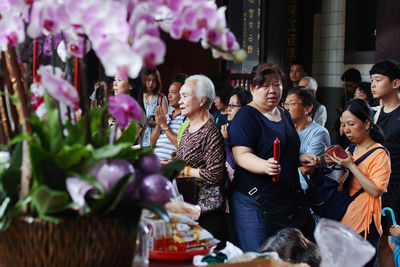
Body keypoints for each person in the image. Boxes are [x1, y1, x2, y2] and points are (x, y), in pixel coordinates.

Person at [228, 63, 318, 252]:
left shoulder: (283, 114)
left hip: (284, 201)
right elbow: (242, 156)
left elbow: (285, 147)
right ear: (252, 89)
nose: (272, 91)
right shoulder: (246, 116)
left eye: (276, 85)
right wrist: (264, 166)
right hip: (254, 202)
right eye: (265, 86)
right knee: (259, 257)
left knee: (287, 257)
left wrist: (299, 157)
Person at [326, 99, 391, 267]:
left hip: (365, 223)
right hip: (344, 218)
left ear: (367, 123)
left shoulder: (379, 154)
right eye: (343, 125)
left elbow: (376, 191)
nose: (346, 130)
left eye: (351, 124)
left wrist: (351, 166)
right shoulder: (351, 149)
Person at [175, 74, 226, 244]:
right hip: (188, 204)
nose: (179, 101)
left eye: (184, 96)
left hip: (206, 212)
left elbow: (216, 174)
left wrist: (186, 170)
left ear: (203, 100)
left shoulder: (210, 132)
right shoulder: (188, 127)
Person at [369, 60, 400, 267]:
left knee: (394, 242)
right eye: (371, 80)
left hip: (398, 187)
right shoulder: (373, 114)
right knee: (381, 241)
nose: (373, 85)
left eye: (378, 80)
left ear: (396, 83)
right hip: (377, 187)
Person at [284, 87, 330, 190]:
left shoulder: (318, 133)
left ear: (307, 108)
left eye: (291, 104)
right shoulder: (283, 129)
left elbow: (307, 170)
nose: (286, 108)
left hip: (305, 193)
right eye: (285, 104)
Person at [150, 73, 187, 162]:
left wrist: (164, 126)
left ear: (183, 95)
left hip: (168, 167)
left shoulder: (187, 118)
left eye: (173, 92)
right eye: (169, 92)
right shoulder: (166, 116)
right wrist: (158, 124)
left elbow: (182, 146)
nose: (169, 96)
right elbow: (152, 143)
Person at [112, 73, 147, 145]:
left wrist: (110, 120)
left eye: (119, 80)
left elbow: (126, 142)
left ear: (131, 86)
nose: (115, 84)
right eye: (114, 80)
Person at [141, 68, 168, 147]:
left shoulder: (161, 98)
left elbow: (165, 121)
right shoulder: (139, 97)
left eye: (154, 81)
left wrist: (150, 122)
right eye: (148, 80)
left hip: (155, 138)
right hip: (139, 137)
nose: (151, 83)